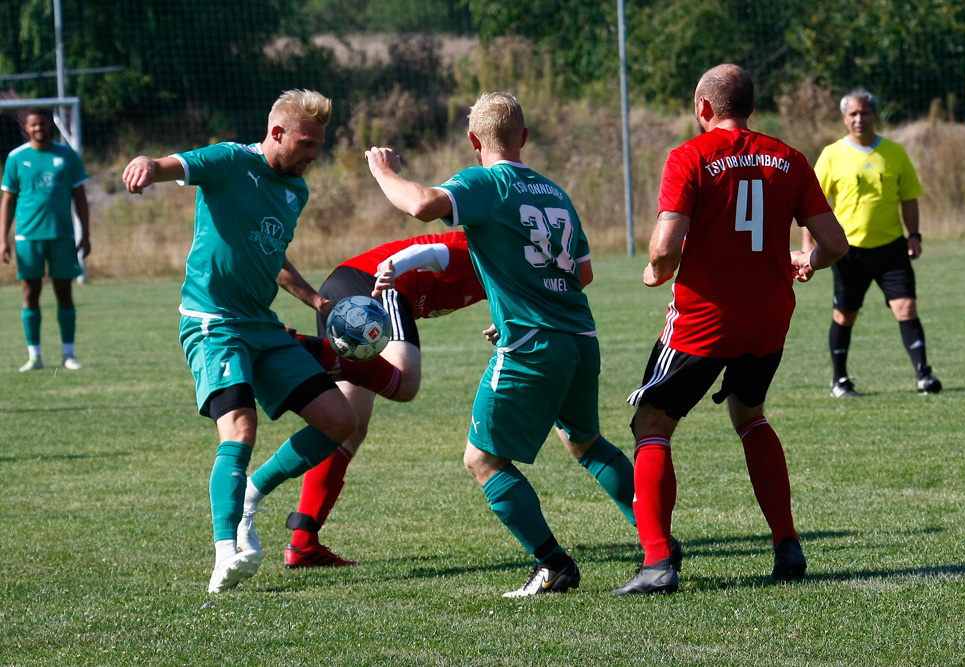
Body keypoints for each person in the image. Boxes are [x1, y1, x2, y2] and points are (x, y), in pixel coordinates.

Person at [365, 91, 637, 597]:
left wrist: (382, 171)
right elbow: (583, 272)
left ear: (474, 141)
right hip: (579, 337)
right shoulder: (555, 192)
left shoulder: (485, 181)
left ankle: (552, 563)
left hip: (533, 344)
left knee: (482, 460)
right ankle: (659, 544)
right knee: (586, 443)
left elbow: (422, 205)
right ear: (525, 137)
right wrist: (525, 302)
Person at [612, 64, 848, 596]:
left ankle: (656, 564)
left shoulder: (689, 157)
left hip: (705, 320)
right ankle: (786, 542)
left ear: (703, 109)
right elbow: (835, 244)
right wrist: (807, 260)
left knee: (651, 423)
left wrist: (656, 269)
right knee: (750, 415)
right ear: (751, 107)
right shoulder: (787, 157)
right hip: (767, 319)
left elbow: (665, 248)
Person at [121, 89, 358, 594]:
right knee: (240, 429)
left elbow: (271, 255)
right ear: (277, 133)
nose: (315, 155)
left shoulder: (296, 192)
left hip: (261, 325)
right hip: (212, 322)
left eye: (319, 145)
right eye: (307, 143)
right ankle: (226, 552)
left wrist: (317, 301)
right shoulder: (228, 160)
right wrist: (146, 163)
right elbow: (173, 165)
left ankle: (252, 493)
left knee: (340, 421)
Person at [282, 230, 488, 567]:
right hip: (374, 283)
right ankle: (301, 348)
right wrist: (392, 270)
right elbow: (433, 251)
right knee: (405, 380)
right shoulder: (482, 249)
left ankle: (303, 541)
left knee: (347, 425)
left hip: (347, 283)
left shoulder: (506, 269)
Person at [804, 89, 942, 398]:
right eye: (852, 114)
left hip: (892, 248)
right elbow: (810, 204)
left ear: (874, 115)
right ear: (844, 119)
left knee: (906, 307)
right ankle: (839, 381)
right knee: (845, 315)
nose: (859, 119)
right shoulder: (832, 154)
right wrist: (807, 248)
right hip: (848, 252)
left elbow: (909, 198)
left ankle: (923, 375)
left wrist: (915, 235)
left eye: (864, 113)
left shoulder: (894, 152)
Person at [1, 107, 90, 371]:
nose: (38, 129)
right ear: (26, 128)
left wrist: (86, 234)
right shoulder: (16, 158)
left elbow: (81, 198)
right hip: (28, 237)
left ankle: (68, 354)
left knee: (64, 292)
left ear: (48, 125)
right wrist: (2, 239)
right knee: (31, 292)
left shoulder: (68, 157)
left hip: (62, 236)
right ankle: (34, 356)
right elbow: (8, 200)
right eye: (33, 125)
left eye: (42, 124)